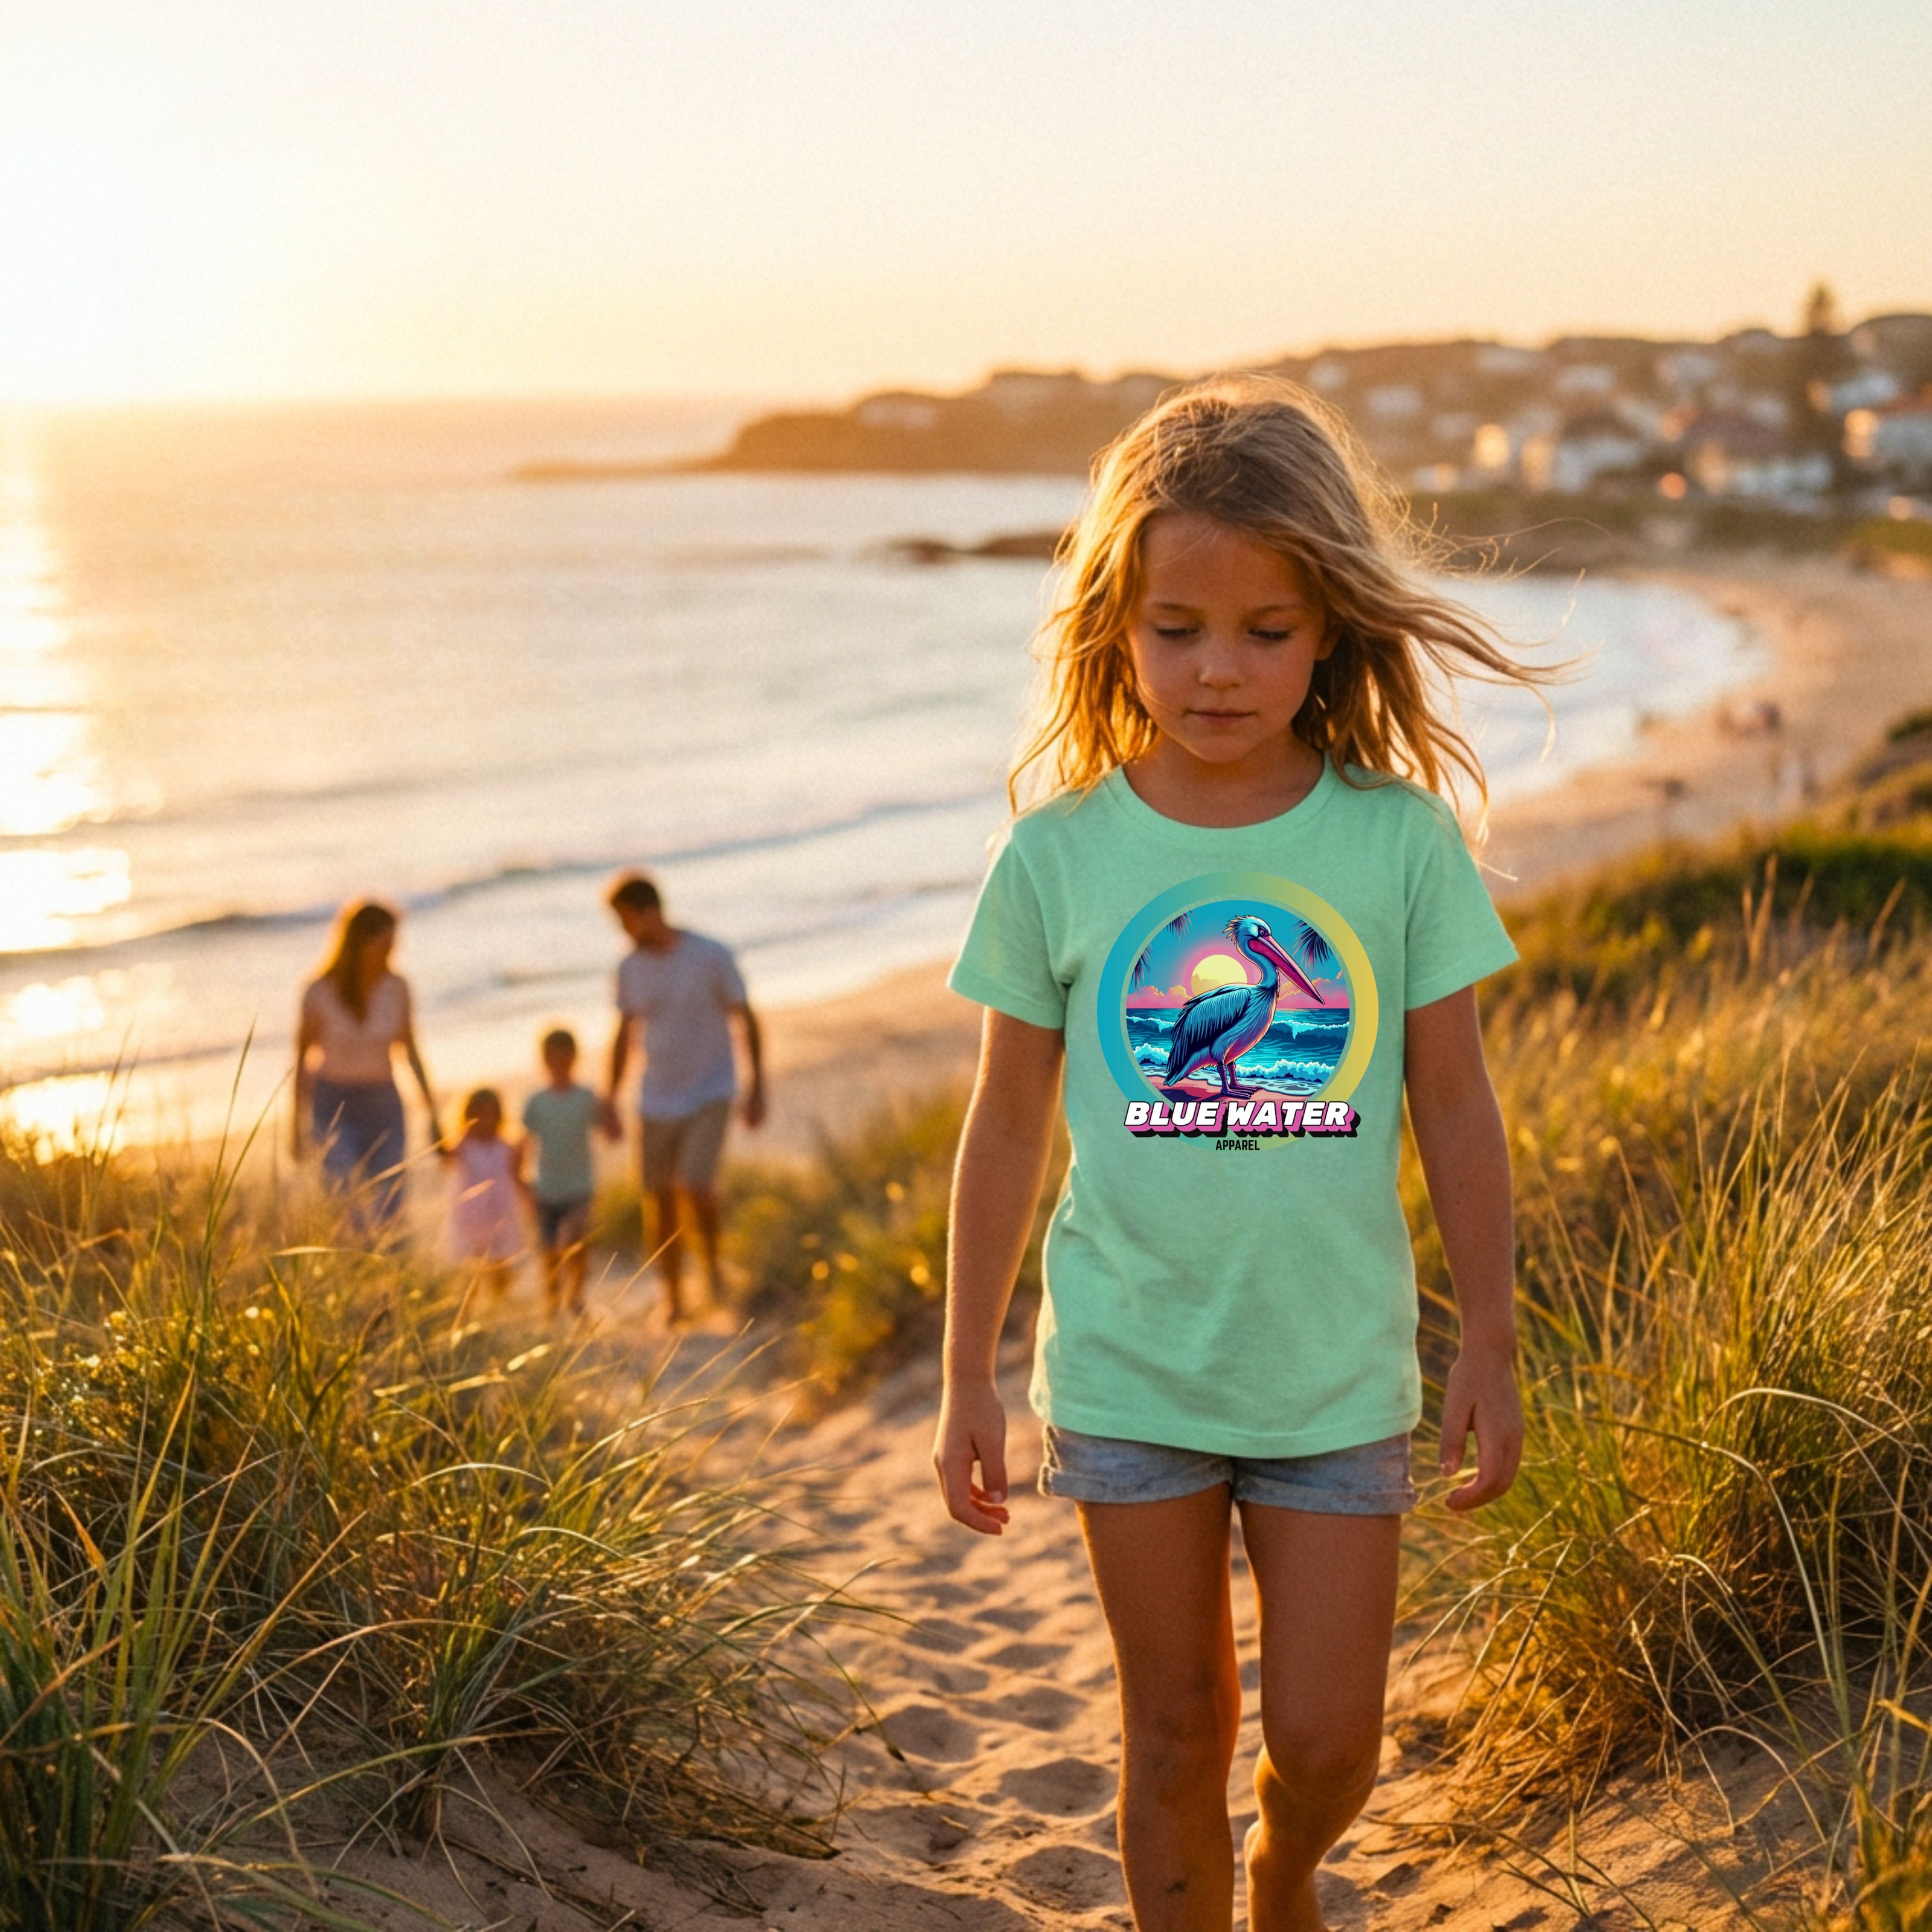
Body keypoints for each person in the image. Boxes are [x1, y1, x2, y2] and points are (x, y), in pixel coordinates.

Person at [936, 377, 1543, 1932]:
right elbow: (1005, 1122)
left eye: (1266, 630)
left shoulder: (1395, 841)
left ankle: (1285, 1873)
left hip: (1335, 1372)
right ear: (1115, 629)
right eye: (1177, 627)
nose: (1219, 669)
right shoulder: (1058, 854)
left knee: (1331, 1740)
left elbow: (1454, 1104)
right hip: (1134, 1365)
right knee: (1174, 1732)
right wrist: (963, 1376)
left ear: (1331, 627)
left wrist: (1492, 1330)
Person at [601, 874, 766, 1324]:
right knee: (658, 1198)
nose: (622, 930)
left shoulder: (710, 955)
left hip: (712, 1089)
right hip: (655, 1098)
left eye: (624, 919)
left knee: (696, 1182)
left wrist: (757, 1086)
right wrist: (609, 1098)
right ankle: (673, 1295)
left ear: (648, 910)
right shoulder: (629, 967)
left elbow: (745, 1017)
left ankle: (713, 1268)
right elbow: (623, 1033)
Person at [293, 900, 440, 1232]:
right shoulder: (319, 992)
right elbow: (301, 1059)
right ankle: (357, 1267)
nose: (392, 950)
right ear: (360, 942)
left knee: (391, 1199)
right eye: (386, 943)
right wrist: (296, 1125)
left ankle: (389, 1271)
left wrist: (433, 1112)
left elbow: (410, 1051)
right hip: (333, 1105)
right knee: (344, 1195)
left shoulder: (397, 988)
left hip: (384, 1103)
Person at [522, 1027, 600, 1317]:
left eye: (564, 1055)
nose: (559, 1061)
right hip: (546, 1185)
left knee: (577, 1239)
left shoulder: (587, 1097)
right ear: (544, 1059)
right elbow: (524, 1142)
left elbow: (610, 1127)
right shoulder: (536, 1102)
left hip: (580, 1183)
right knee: (549, 1248)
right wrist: (522, 1185)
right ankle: (552, 1300)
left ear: (575, 1057)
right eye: (552, 1056)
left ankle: (577, 1297)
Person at [443, 1087, 527, 1297]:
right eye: (479, 1114)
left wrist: (531, 1200)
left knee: (500, 1263)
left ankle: (499, 1305)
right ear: (469, 1117)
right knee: (471, 1267)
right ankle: (467, 1310)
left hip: (500, 1215)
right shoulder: (464, 1144)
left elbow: (518, 1177)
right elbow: (445, 1157)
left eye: (491, 1113)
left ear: (500, 1116)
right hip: (470, 1217)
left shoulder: (507, 1146)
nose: (486, 1119)